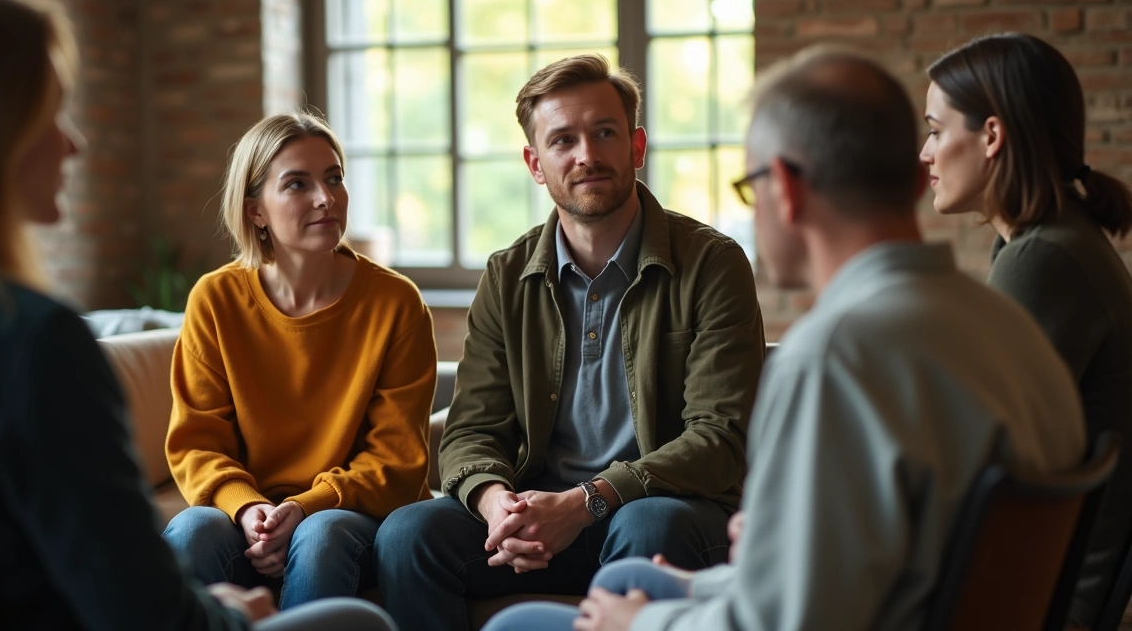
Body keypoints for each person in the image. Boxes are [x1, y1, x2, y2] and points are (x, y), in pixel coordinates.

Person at [482, 44, 1087, 631]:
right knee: (627, 578)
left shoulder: (832, 355)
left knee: (518, 625)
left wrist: (646, 622)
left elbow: (791, 618)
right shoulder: (1008, 324)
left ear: (786, 190)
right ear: (911, 179)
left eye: (750, 187)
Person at [0, 0, 396, 629]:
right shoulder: (34, 344)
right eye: (50, 114)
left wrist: (298, 515)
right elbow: (141, 610)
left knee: (321, 537)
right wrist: (231, 611)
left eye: (334, 177)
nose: (74, 144)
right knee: (361, 623)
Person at [374, 54, 766, 631]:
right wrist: (497, 505)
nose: (587, 155)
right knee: (408, 533)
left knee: (649, 524)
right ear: (536, 163)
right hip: (538, 516)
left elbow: (719, 437)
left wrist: (587, 501)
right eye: (563, 140)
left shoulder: (712, 263)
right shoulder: (506, 275)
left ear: (636, 146)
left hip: (659, 511)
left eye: (604, 133)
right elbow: (471, 429)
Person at [162, 111, 438, 608]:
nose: (326, 197)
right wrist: (247, 508)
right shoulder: (215, 299)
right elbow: (196, 443)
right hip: (252, 516)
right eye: (298, 184)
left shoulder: (396, 302)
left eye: (334, 178)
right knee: (190, 531)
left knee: (320, 535)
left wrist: (305, 506)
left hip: (350, 515)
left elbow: (396, 460)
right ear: (255, 211)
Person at [922, 33, 1132, 629]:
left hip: (1035, 596)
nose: (925, 154)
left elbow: (969, 453)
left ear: (991, 136)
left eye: (936, 131)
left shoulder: (1046, 258)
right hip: (1032, 577)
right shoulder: (1050, 240)